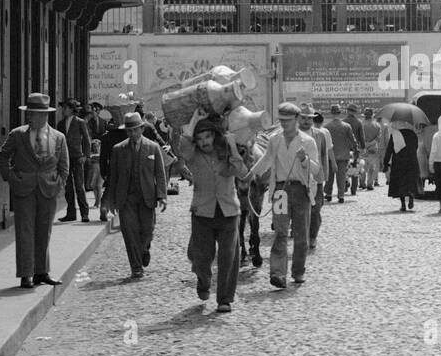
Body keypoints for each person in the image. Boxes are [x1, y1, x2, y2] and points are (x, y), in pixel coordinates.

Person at [177, 112, 248, 312]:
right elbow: (184, 146)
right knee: (202, 256)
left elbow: (242, 172)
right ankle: (204, 280)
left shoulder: (225, 153)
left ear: (215, 136)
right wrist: (193, 120)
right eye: (199, 139)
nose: (204, 142)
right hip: (202, 213)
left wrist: (232, 146)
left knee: (229, 256)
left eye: (207, 137)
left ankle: (224, 299)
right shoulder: (193, 156)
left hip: (229, 211)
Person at [0, 92, 69, 289]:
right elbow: (2, 157)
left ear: (44, 115)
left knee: (44, 230)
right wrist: (12, 177)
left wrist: (59, 183)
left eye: (34, 114)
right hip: (24, 189)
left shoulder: (58, 137)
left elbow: (64, 165)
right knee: (25, 231)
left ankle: (41, 272)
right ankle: (26, 274)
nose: (30, 117)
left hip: (48, 189)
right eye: (29, 113)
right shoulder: (18, 135)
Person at [251, 100, 321, 288]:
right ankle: (277, 273)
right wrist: (251, 174)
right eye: (281, 120)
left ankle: (298, 271)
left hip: (301, 191)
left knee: (301, 235)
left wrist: (304, 159)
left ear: (297, 119)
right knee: (280, 232)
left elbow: (316, 169)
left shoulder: (308, 142)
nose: (284, 124)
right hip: (280, 191)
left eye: (288, 120)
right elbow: (266, 159)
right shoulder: (275, 139)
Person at [105, 113, 167, 278]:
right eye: (129, 131)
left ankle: (144, 248)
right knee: (130, 232)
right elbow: (114, 176)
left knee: (147, 230)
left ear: (141, 129)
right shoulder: (119, 149)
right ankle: (136, 267)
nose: (132, 134)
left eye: (134, 130)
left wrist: (162, 196)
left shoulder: (153, 147)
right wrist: (111, 200)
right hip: (126, 199)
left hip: (147, 197)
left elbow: (160, 174)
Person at [300, 105, 331, 253]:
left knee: (316, 210)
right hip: (299, 178)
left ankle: (312, 237)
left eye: (309, 118)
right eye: (303, 118)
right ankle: (301, 237)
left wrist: (324, 176)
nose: (306, 121)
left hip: (316, 178)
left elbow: (323, 155)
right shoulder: (293, 134)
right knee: (299, 211)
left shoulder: (320, 135)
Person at [57, 98, 91, 223]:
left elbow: (87, 139)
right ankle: (71, 213)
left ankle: (84, 213)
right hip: (65, 158)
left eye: (65, 108)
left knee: (79, 186)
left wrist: (85, 155)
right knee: (68, 187)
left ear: (72, 109)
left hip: (77, 157)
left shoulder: (80, 122)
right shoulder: (60, 124)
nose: (63, 110)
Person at [323, 104, 358, 203]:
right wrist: (356, 151)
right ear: (340, 113)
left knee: (329, 176)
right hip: (343, 155)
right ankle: (341, 195)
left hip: (330, 156)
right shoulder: (346, 126)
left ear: (331, 113)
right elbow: (353, 140)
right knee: (341, 177)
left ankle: (328, 194)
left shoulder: (327, 127)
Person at [383, 121, 421, 212]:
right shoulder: (413, 134)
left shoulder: (395, 135)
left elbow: (389, 150)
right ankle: (411, 195)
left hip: (399, 162)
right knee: (410, 180)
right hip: (412, 161)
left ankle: (403, 204)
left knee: (400, 183)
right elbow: (416, 147)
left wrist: (385, 163)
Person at [345, 104, 366, 196]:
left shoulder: (343, 122)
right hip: (356, 149)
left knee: (344, 168)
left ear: (347, 111)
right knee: (355, 169)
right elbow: (361, 137)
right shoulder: (358, 122)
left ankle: (345, 183)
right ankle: (353, 190)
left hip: (345, 149)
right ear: (355, 112)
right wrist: (363, 147)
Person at [361, 107, 382, 190]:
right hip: (373, 147)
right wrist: (371, 143)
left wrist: (365, 144)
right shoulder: (377, 125)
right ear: (372, 115)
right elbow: (378, 138)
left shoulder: (361, 124)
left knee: (362, 166)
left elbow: (358, 136)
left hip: (362, 147)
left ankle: (362, 183)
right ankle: (370, 183)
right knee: (372, 167)